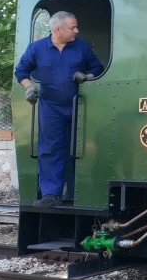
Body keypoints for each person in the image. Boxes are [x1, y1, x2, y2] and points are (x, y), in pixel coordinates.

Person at [15, 11, 104, 207]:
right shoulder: (36, 48)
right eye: (72, 27)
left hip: (79, 105)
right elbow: (21, 70)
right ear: (57, 29)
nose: (77, 31)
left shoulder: (81, 46)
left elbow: (97, 68)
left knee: (77, 148)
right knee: (50, 148)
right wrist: (29, 87)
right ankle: (51, 194)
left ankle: (74, 192)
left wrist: (86, 76)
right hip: (50, 106)